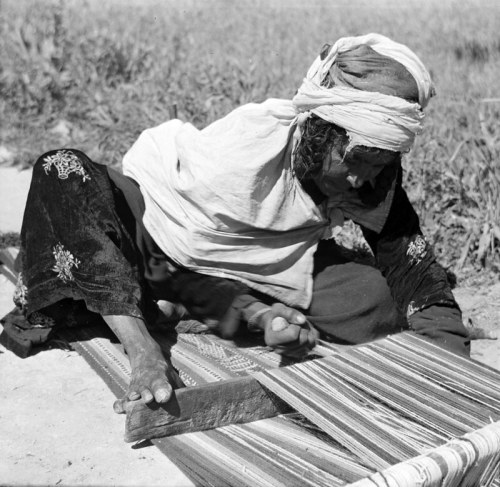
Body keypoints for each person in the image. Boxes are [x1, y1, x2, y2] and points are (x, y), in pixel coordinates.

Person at [1, 34, 469, 413]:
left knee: (375, 301)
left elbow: (410, 262)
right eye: (360, 159)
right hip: (155, 232)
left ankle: (180, 306)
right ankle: (144, 339)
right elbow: (188, 244)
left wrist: (452, 372)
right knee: (62, 169)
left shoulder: (373, 171)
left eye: (381, 162)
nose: (363, 176)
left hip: (258, 266)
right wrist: (252, 309)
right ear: (319, 135)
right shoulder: (244, 154)